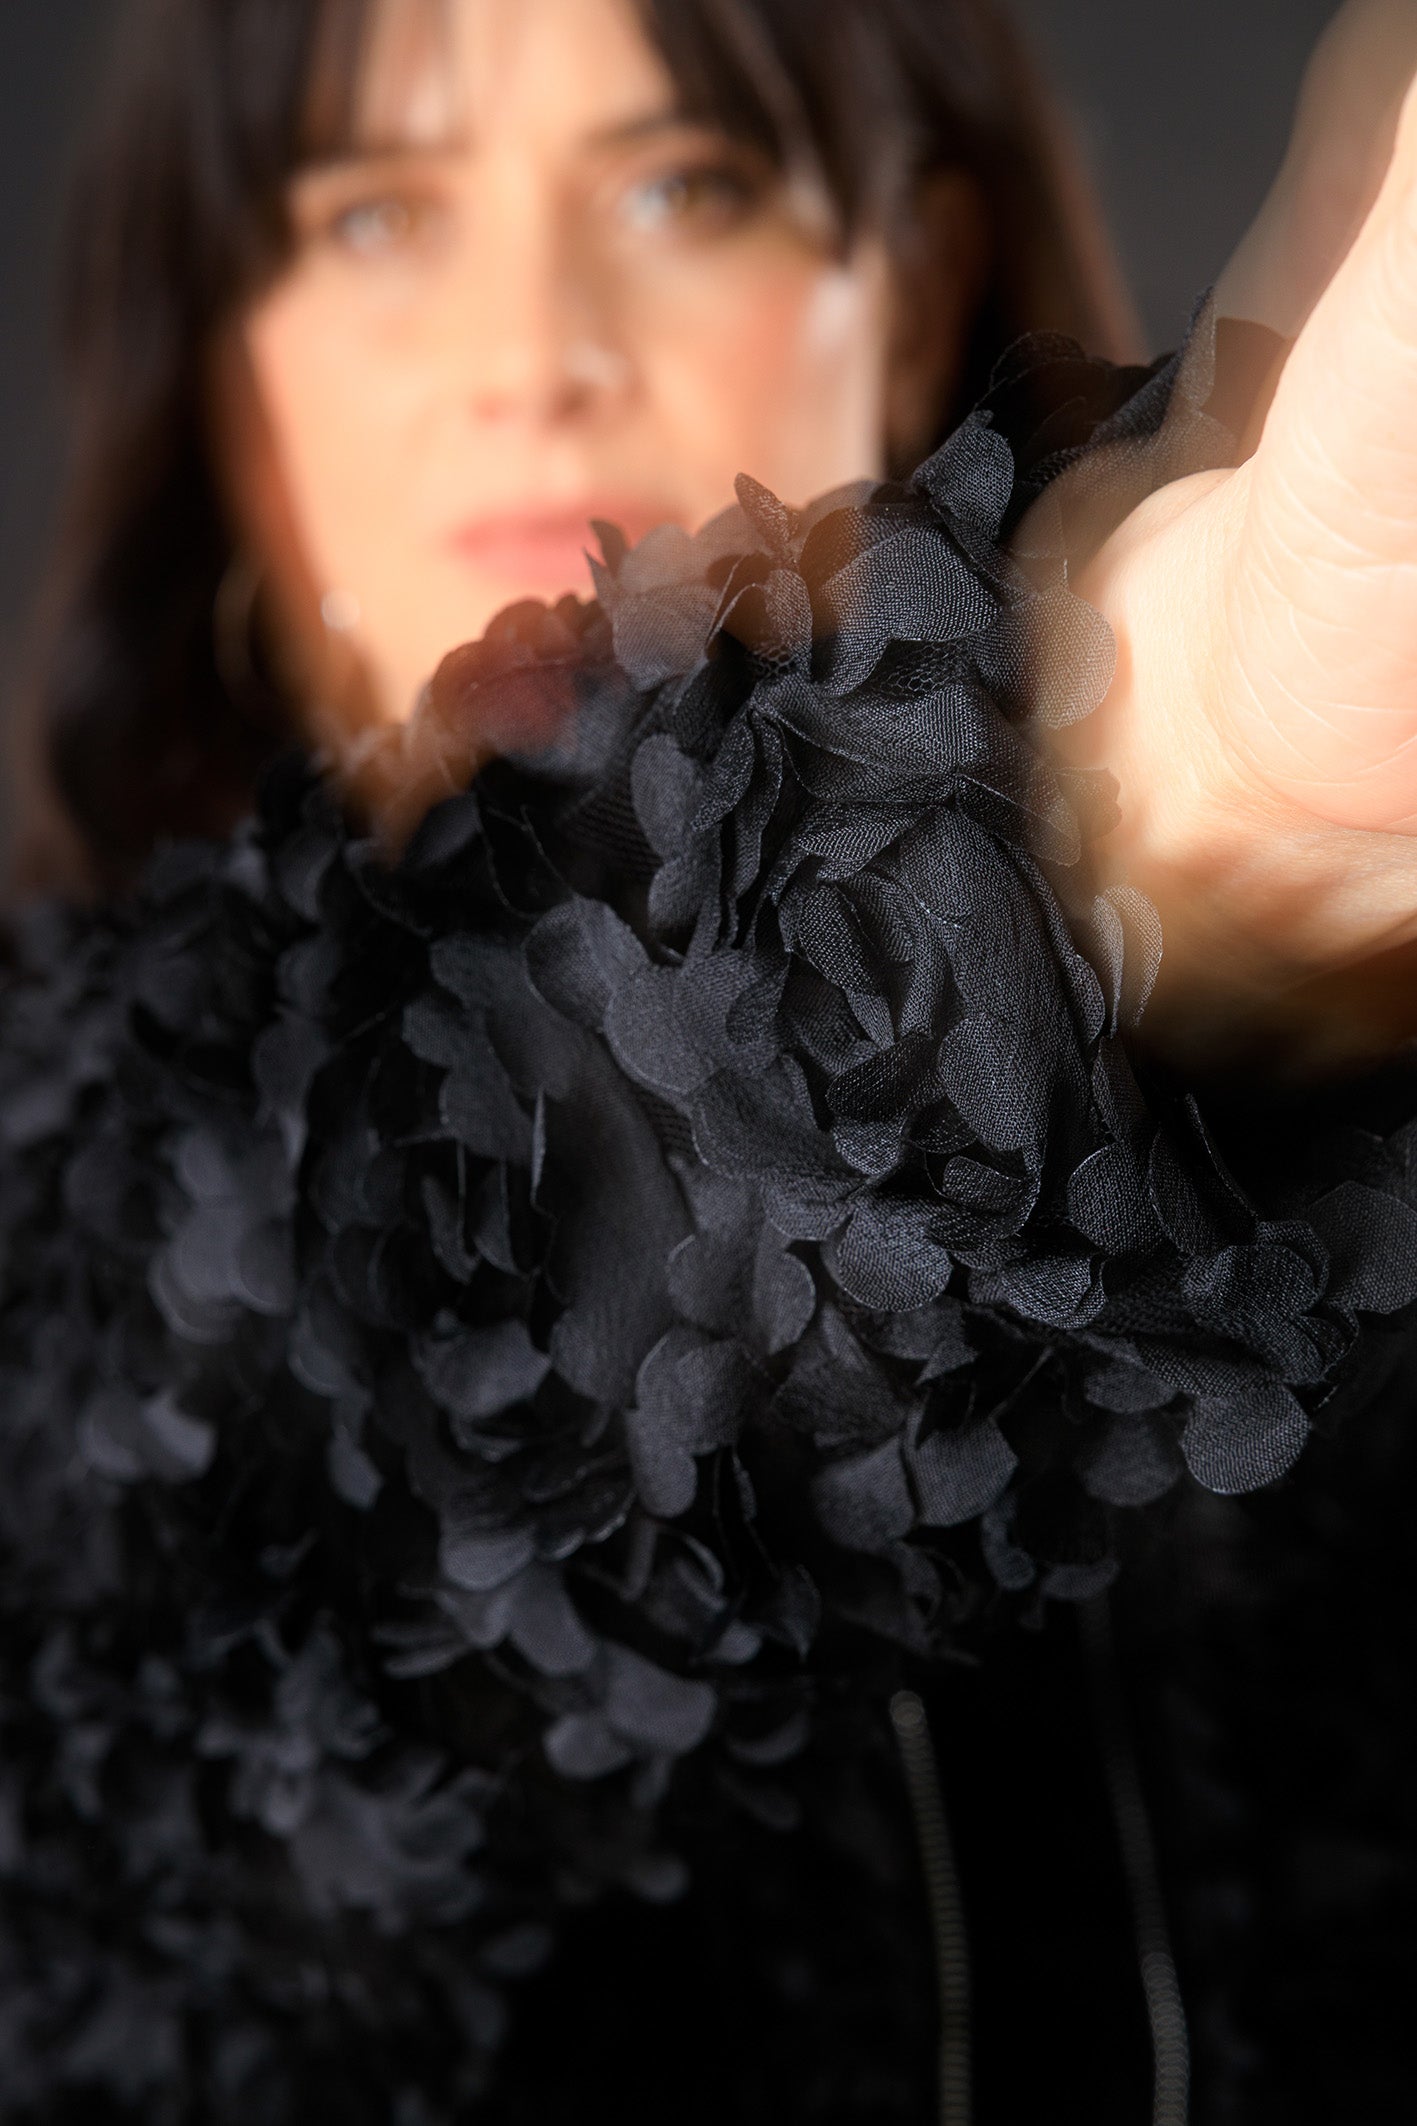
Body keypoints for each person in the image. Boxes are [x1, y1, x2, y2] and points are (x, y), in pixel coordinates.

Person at [1, 1, 1415, 2121]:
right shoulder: (66, 1255)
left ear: (916, 273)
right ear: (231, 366)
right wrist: (1168, 789)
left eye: (684, 188)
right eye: (377, 216)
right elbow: (240, 1576)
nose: (533, 348)